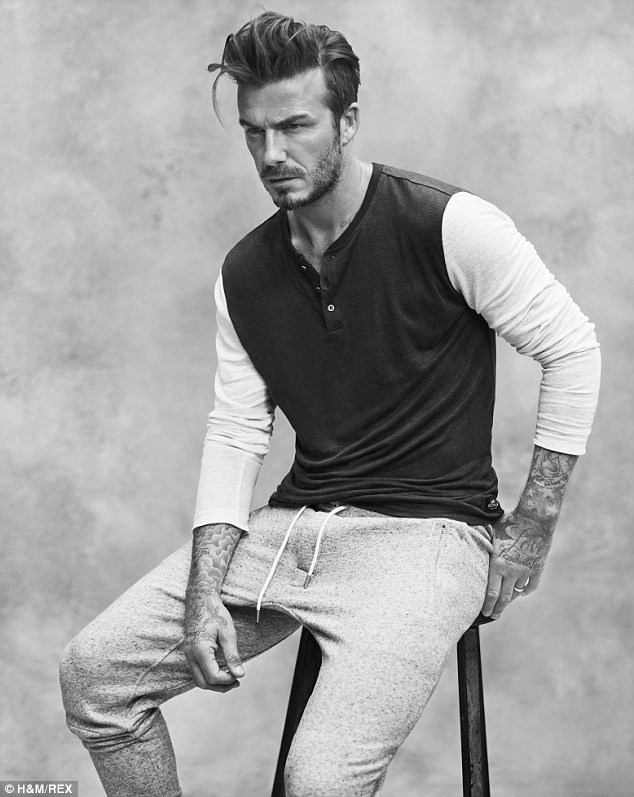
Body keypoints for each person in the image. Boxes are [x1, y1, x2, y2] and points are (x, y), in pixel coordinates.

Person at [59, 11, 601, 796]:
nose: (271, 154)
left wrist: (530, 532)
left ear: (347, 120)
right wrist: (205, 595)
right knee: (94, 674)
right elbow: (237, 430)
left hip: (429, 536)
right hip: (294, 529)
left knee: (316, 779)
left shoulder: (449, 225)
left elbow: (572, 347)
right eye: (254, 132)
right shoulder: (244, 273)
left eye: (295, 126)